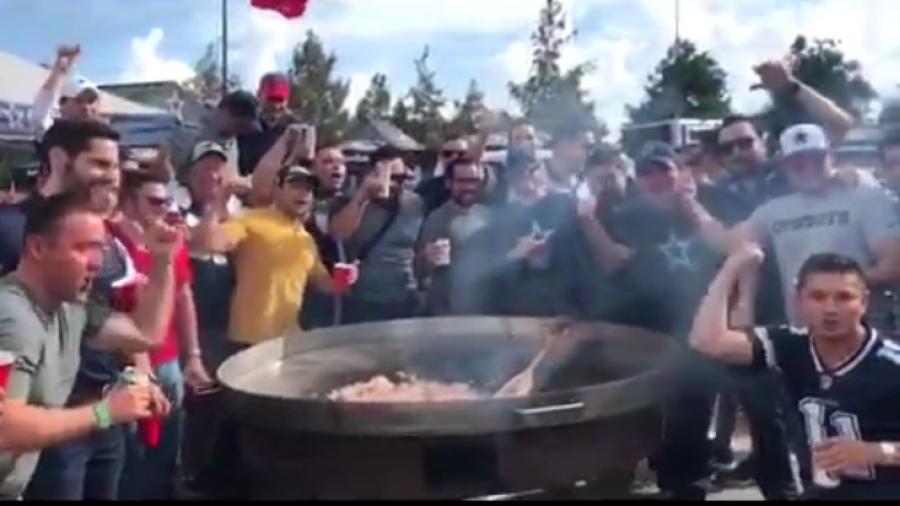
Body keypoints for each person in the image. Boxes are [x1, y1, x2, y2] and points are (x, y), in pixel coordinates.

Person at [8, 121, 178, 501]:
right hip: (46, 431)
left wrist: (139, 374)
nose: (112, 175)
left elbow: (139, 328)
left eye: (116, 166)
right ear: (58, 160)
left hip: (100, 415)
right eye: (100, 164)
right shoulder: (11, 234)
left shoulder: (95, 255)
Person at [691, 249, 900, 500]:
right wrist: (731, 268)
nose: (830, 308)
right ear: (799, 300)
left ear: (864, 302)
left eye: (844, 297)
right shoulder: (791, 345)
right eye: (818, 297)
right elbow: (707, 340)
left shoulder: (891, 364)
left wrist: (879, 452)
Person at [716, 124, 900, 327]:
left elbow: (893, 264)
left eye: (815, 159)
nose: (808, 168)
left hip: (863, 329)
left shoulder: (865, 195)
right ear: (784, 167)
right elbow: (727, 243)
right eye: (797, 163)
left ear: (831, 157)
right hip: (804, 335)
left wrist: (833, 288)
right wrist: (689, 204)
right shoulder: (775, 209)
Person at [113, 171, 212, 500]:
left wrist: (194, 356)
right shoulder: (108, 243)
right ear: (128, 203)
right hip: (123, 369)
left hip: (167, 363)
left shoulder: (170, 240)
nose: (165, 210)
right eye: (155, 202)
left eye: (168, 201)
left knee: (166, 457)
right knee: (127, 463)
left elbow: (184, 296)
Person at [194, 164, 356, 352]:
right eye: (295, 185)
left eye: (308, 189)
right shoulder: (250, 219)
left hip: (288, 341)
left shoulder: (305, 238)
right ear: (277, 189)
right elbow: (209, 244)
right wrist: (219, 200)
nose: (303, 193)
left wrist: (346, 278)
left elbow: (327, 286)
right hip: (249, 339)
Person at [331, 146, 424, 323]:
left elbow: (416, 248)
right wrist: (363, 195)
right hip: (361, 300)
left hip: (404, 298)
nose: (398, 184)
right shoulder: (350, 200)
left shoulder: (414, 203)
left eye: (403, 178)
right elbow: (339, 234)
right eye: (392, 178)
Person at [417, 157, 491, 316]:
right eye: (462, 181)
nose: (469, 187)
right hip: (449, 312)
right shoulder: (437, 218)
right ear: (449, 183)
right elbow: (420, 270)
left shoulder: (489, 216)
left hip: (485, 308)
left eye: (474, 180)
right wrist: (427, 259)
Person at [31, 44, 102, 137]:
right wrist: (59, 69)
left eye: (91, 101)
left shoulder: (103, 137)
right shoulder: (53, 134)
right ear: (62, 105)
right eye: (78, 101)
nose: (86, 107)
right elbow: (43, 103)